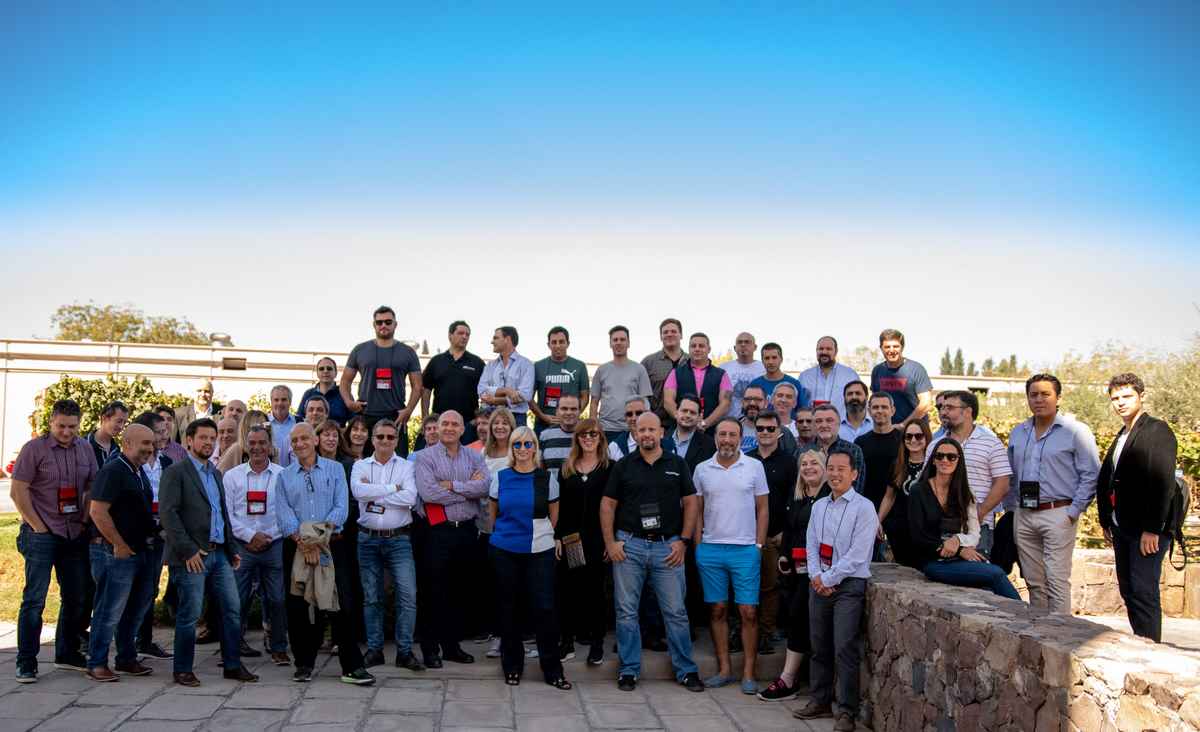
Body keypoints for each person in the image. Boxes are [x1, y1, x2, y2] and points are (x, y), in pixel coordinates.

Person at [600, 412, 705, 693]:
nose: (646, 434)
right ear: (635, 434)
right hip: (629, 546)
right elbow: (607, 505)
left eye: (651, 429)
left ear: (661, 433)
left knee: (676, 612)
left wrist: (684, 541)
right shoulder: (623, 466)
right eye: (641, 429)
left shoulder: (677, 464)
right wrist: (611, 543)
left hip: (667, 547)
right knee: (626, 612)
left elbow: (691, 503)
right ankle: (628, 670)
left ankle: (686, 670)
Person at [159, 418, 258, 686]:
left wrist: (231, 548)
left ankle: (232, 665)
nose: (208, 442)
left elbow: (221, 513)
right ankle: (183, 669)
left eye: (212, 438)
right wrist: (188, 551)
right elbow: (168, 515)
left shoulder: (214, 473)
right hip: (192, 557)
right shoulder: (176, 472)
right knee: (189, 615)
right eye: (203, 437)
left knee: (232, 609)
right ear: (189, 440)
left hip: (220, 554)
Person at [275, 423, 375, 685]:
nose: (299, 444)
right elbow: (284, 514)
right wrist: (303, 542)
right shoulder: (284, 477)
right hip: (297, 547)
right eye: (294, 440)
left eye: (304, 438)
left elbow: (341, 508)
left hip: (332, 546)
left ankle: (352, 666)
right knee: (299, 604)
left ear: (315, 440)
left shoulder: (336, 469)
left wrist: (317, 540)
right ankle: (303, 664)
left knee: (342, 604)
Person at [10, 399, 97, 682]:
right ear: (51, 423)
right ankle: (26, 661)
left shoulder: (85, 448)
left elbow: (92, 485)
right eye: (61, 426)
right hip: (42, 533)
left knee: (76, 596)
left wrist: (85, 519)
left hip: (74, 531)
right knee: (34, 600)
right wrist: (38, 527)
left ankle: (67, 653)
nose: (67, 432)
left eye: (72, 427)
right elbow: (18, 491)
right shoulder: (33, 449)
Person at [793, 448, 876, 731]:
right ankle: (819, 700)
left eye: (842, 469)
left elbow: (858, 554)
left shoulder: (864, 507)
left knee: (844, 648)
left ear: (854, 474)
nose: (835, 474)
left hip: (849, 585)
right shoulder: (819, 506)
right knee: (819, 646)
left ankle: (846, 712)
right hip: (819, 583)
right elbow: (811, 544)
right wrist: (817, 576)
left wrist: (829, 579)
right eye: (831, 468)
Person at [1007, 373, 1100, 615]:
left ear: (1058, 398)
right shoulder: (1019, 432)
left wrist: (1073, 511)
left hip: (1058, 512)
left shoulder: (1076, 432)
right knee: (1034, 582)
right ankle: (1040, 632)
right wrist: (1012, 508)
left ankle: (1061, 634)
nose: (1039, 399)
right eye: (1033, 395)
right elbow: (1011, 474)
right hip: (1024, 514)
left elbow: (1091, 473)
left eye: (1045, 394)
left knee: (1057, 580)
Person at [1097, 373, 1178, 643]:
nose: (1121, 402)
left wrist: (1152, 529)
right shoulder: (1122, 434)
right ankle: (1141, 641)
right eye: (1115, 398)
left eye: (1127, 396)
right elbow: (1109, 478)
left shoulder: (1157, 430)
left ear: (1141, 396)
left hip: (1147, 530)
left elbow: (1163, 481)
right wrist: (1106, 520)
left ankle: (1151, 647)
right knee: (1129, 590)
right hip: (1122, 526)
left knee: (1144, 590)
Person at [488, 427, 571, 689]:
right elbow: (493, 514)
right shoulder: (500, 477)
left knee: (544, 608)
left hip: (539, 551)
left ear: (535, 447)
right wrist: (504, 536)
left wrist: (543, 537)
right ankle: (512, 667)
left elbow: (553, 516)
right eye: (517, 444)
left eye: (527, 444)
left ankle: (552, 670)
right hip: (505, 550)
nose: (522, 449)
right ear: (511, 448)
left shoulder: (547, 479)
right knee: (509, 608)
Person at [693, 418, 769, 695]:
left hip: (745, 549)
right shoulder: (702, 469)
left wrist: (758, 545)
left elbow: (763, 508)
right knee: (717, 609)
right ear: (715, 437)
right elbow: (697, 510)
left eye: (732, 435)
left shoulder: (754, 466)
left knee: (748, 611)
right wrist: (699, 546)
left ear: (740, 438)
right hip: (711, 549)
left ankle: (748, 673)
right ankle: (724, 670)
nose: (727, 439)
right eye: (722, 434)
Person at [413, 411, 490, 668]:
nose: (449, 428)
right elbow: (429, 493)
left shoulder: (474, 456)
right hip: (436, 532)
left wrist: (451, 485)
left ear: (462, 429)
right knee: (433, 591)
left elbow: (484, 487)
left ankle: (451, 646)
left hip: (466, 531)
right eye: (444, 423)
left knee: (459, 590)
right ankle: (430, 649)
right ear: (437, 427)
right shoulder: (424, 457)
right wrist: (467, 489)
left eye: (455, 424)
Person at [85, 424, 159, 681]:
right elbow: (97, 511)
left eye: (152, 443)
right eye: (145, 443)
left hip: (140, 551)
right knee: (109, 610)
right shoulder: (113, 470)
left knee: (135, 609)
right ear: (127, 443)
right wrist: (118, 544)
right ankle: (96, 663)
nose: (150, 448)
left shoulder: (138, 471)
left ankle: (126, 658)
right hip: (116, 553)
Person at [351, 419, 424, 671]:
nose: (385, 441)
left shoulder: (406, 466)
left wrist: (374, 492)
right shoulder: (360, 465)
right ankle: (375, 650)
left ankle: (404, 652)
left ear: (396, 440)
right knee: (372, 597)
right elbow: (358, 492)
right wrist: (393, 488)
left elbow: (410, 497)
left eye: (390, 437)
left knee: (407, 595)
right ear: (372, 439)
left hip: (399, 539)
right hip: (367, 539)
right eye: (380, 436)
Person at [758, 449, 829, 702]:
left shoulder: (830, 497)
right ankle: (793, 679)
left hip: (822, 572)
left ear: (824, 467)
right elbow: (790, 529)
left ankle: (790, 679)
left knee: (806, 620)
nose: (808, 467)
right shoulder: (798, 495)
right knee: (797, 618)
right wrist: (784, 556)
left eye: (814, 463)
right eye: (804, 464)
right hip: (797, 571)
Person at [908, 439, 1020, 599]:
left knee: (990, 583)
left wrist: (958, 540)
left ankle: (1018, 612)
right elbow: (918, 536)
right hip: (932, 562)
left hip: (960, 559)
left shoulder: (965, 493)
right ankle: (1025, 612)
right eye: (940, 456)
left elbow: (974, 534)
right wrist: (959, 550)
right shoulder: (918, 491)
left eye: (951, 457)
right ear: (933, 460)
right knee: (995, 573)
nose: (945, 460)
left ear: (958, 461)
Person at [222, 425, 290, 667]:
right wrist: (251, 536)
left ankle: (279, 647)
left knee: (277, 599)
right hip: (242, 546)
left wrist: (267, 537)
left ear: (270, 446)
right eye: (252, 443)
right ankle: (232, 648)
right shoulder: (232, 476)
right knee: (237, 600)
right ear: (245, 445)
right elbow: (228, 515)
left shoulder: (283, 475)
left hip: (274, 544)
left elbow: (287, 512)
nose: (257, 447)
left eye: (262, 443)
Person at [554, 418, 612, 666]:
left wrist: (611, 540)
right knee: (570, 590)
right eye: (583, 434)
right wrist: (558, 536)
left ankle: (597, 644)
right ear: (577, 438)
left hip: (598, 539)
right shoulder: (567, 468)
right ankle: (566, 642)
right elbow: (560, 506)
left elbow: (615, 506)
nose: (588, 438)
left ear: (601, 438)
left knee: (596, 591)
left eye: (593, 434)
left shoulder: (610, 468)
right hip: (572, 540)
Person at [928, 391, 1011, 556]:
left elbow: (1003, 484)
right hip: (939, 526)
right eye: (942, 408)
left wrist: (977, 514)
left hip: (979, 527)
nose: (943, 412)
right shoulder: (935, 445)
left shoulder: (991, 443)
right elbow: (927, 481)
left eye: (950, 408)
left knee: (975, 570)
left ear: (967, 411)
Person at [745, 411, 797, 656]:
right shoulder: (745, 460)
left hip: (775, 535)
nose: (765, 432)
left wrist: (785, 532)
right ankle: (742, 631)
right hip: (746, 534)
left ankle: (765, 633)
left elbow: (794, 499)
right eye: (760, 428)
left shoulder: (789, 462)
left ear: (779, 432)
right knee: (745, 586)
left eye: (770, 428)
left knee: (770, 587)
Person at [342, 305, 424, 458]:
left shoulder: (408, 352)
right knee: (364, 462)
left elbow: (418, 386)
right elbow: (345, 381)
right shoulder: (360, 350)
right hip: (366, 415)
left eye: (388, 322)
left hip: (396, 416)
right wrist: (349, 402)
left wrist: (408, 410)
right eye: (379, 322)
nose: (383, 325)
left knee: (398, 462)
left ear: (395, 324)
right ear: (374, 325)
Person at [132, 411, 175, 659]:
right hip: (134, 532)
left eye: (165, 431)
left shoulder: (167, 463)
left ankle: (144, 640)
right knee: (131, 588)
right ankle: (128, 640)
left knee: (150, 587)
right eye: (158, 432)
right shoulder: (131, 463)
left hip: (160, 532)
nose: (163, 436)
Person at [854, 392, 903, 560]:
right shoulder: (861, 442)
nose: (879, 411)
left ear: (892, 410)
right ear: (869, 410)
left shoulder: (903, 440)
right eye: (875, 407)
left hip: (898, 511)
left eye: (884, 407)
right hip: (868, 510)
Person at [878, 420, 933, 569]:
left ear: (926, 437)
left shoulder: (934, 464)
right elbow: (889, 496)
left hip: (927, 530)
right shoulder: (897, 464)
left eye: (918, 436)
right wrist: (878, 520)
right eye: (908, 436)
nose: (913, 440)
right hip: (901, 529)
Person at [420, 321, 485, 443]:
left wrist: (478, 419)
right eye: (460, 333)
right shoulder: (436, 361)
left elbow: (486, 393)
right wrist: (425, 417)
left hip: (468, 425)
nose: (464, 337)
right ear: (450, 335)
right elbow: (426, 390)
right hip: (440, 424)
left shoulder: (477, 363)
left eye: (467, 334)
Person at [592, 325, 653, 442]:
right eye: (615, 340)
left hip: (632, 429)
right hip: (606, 429)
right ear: (610, 343)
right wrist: (594, 426)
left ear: (628, 343)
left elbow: (645, 402)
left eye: (622, 339)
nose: (618, 343)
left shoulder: (639, 369)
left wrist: (645, 426)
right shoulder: (601, 370)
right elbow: (594, 402)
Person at [663, 332, 733, 429]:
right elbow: (668, 401)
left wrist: (705, 423)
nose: (697, 349)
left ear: (709, 349)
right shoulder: (675, 373)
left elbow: (725, 404)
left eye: (701, 346)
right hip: (680, 429)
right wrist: (682, 420)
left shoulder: (721, 375)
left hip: (710, 431)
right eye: (693, 346)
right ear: (689, 349)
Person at [531, 326, 590, 435]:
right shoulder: (538, 366)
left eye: (561, 342)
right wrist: (542, 416)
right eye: (554, 342)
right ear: (548, 345)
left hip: (571, 426)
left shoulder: (579, 366)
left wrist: (572, 416)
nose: (558, 345)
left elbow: (585, 396)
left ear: (568, 343)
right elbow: (529, 397)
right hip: (543, 424)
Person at [870, 329, 933, 427]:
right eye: (887, 347)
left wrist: (903, 425)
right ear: (881, 348)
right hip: (886, 430)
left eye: (896, 346)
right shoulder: (877, 371)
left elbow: (926, 403)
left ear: (902, 347)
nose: (892, 350)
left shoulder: (916, 369)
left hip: (914, 431)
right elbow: (874, 402)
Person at [478, 325, 534, 430]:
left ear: (507, 339)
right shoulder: (490, 365)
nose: (492, 342)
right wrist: (507, 390)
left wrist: (495, 400)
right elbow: (482, 391)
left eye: (496, 338)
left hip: (517, 418)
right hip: (491, 416)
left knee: (517, 441)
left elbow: (525, 395)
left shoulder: (526, 365)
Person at [800, 405, 866, 493]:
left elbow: (856, 489)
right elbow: (799, 486)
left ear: (839, 424)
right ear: (812, 425)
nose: (824, 425)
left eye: (829, 420)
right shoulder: (803, 451)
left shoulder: (853, 450)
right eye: (818, 421)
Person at [798, 336, 862, 419]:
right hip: (813, 425)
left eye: (828, 349)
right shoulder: (804, 377)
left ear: (836, 352)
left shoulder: (850, 375)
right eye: (821, 349)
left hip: (841, 425)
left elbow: (860, 402)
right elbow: (799, 404)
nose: (824, 352)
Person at [641, 317, 685, 428]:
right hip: (657, 424)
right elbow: (640, 394)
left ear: (681, 335)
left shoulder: (691, 361)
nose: (669, 334)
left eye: (673, 331)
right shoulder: (648, 362)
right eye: (665, 332)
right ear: (661, 337)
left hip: (687, 421)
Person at [663, 395, 716, 471]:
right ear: (676, 413)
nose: (688, 415)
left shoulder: (709, 445)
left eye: (692, 413)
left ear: (700, 417)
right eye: (684, 411)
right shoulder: (662, 439)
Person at [723, 332, 766, 420]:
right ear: (735, 348)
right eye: (740, 342)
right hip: (729, 421)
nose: (743, 344)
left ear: (755, 347)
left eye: (747, 342)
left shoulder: (764, 368)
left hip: (757, 421)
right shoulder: (724, 368)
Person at [297, 357, 351, 425]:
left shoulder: (344, 394)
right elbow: (299, 419)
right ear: (317, 373)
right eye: (321, 369)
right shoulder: (308, 394)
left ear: (336, 373)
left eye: (329, 368)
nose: (325, 371)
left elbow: (353, 421)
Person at [538, 393, 580, 474]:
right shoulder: (545, 436)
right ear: (557, 411)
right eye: (564, 409)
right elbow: (540, 469)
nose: (569, 412)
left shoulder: (587, 436)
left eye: (573, 409)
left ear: (579, 412)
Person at [88, 401, 128, 467]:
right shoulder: (84, 444)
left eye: (124, 423)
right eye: (119, 421)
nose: (121, 427)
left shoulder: (116, 450)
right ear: (104, 418)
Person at [769, 383, 803, 455]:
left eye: (789, 397)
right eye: (780, 395)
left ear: (795, 403)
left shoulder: (800, 427)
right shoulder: (762, 425)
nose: (783, 400)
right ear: (772, 400)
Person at [268, 385, 297, 467]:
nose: (280, 403)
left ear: (290, 402)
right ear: (271, 402)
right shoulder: (264, 422)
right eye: (276, 400)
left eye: (284, 400)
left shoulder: (298, 422)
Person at [738, 385, 767, 452]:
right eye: (748, 399)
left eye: (758, 399)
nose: (752, 403)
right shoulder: (731, 429)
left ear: (766, 403)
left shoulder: (778, 431)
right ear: (742, 402)